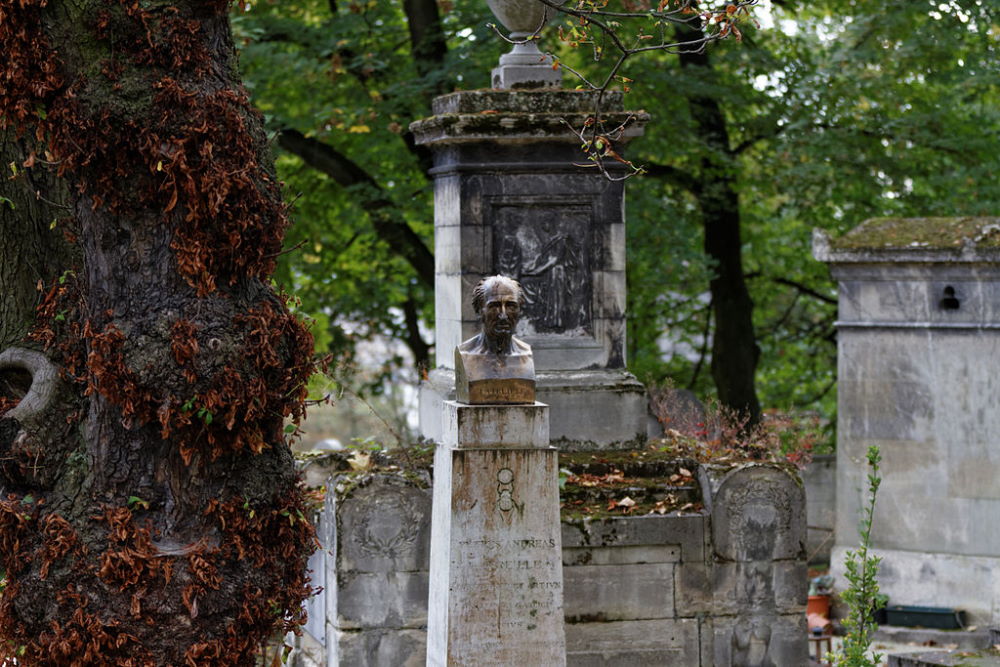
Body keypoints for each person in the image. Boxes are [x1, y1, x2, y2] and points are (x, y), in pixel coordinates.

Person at [455, 275, 534, 404]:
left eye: (511, 306)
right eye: (494, 306)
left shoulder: (526, 354)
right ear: (479, 311)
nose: (503, 315)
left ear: (519, 310)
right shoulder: (465, 355)